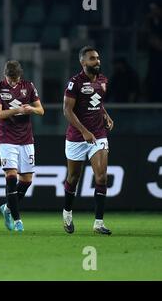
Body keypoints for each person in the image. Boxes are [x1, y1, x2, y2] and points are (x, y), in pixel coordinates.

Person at [62, 46, 114, 235]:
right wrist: (83, 131)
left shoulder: (103, 80)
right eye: (92, 58)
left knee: (101, 177)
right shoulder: (74, 82)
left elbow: (98, 103)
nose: (97, 61)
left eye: (98, 57)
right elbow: (67, 110)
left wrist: (106, 115)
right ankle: (67, 212)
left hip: (98, 135)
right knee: (73, 178)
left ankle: (98, 223)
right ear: (83, 62)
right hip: (77, 137)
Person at [0, 60, 44, 232]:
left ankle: (7, 208)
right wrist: (16, 110)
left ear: (19, 75)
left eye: (15, 79)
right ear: (5, 75)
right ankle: (17, 220)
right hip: (7, 139)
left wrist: (31, 110)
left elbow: (41, 110)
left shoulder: (28, 86)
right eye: (10, 78)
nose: (12, 82)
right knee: (12, 177)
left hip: (26, 139)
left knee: (27, 180)